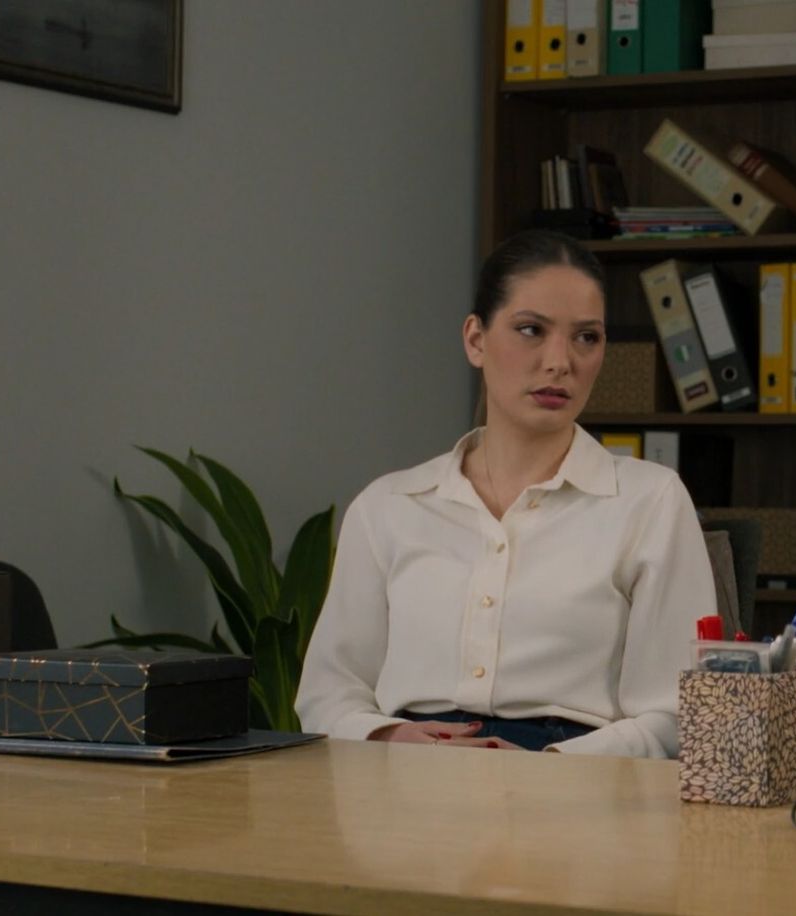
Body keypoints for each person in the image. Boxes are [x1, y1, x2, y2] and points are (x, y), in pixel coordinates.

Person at [296, 229, 716, 756]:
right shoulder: (389, 507)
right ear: (476, 340)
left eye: (586, 337)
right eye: (531, 330)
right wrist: (391, 736)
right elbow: (328, 694)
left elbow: (677, 712)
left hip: (577, 777)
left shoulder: (651, 501)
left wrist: (552, 767)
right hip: (407, 771)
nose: (560, 361)